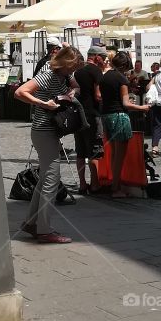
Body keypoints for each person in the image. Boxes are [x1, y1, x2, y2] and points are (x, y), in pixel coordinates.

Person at [14, 45, 81, 244]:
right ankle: (44, 230)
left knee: (45, 179)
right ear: (65, 63)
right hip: (44, 131)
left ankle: (31, 222)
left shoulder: (63, 75)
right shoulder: (48, 74)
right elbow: (20, 92)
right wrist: (43, 104)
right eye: (73, 66)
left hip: (48, 131)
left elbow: (77, 86)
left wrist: (71, 93)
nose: (73, 70)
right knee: (52, 178)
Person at [99, 50, 141, 199]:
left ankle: (114, 183)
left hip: (107, 115)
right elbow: (125, 103)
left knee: (114, 154)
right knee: (120, 156)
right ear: (125, 65)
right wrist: (143, 107)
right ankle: (116, 188)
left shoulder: (105, 77)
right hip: (119, 116)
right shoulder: (122, 79)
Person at [72, 45, 107, 194]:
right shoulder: (96, 71)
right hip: (92, 114)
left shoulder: (77, 71)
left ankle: (82, 184)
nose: (104, 61)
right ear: (97, 57)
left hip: (78, 115)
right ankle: (94, 184)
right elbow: (98, 95)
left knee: (80, 152)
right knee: (95, 151)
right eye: (103, 58)